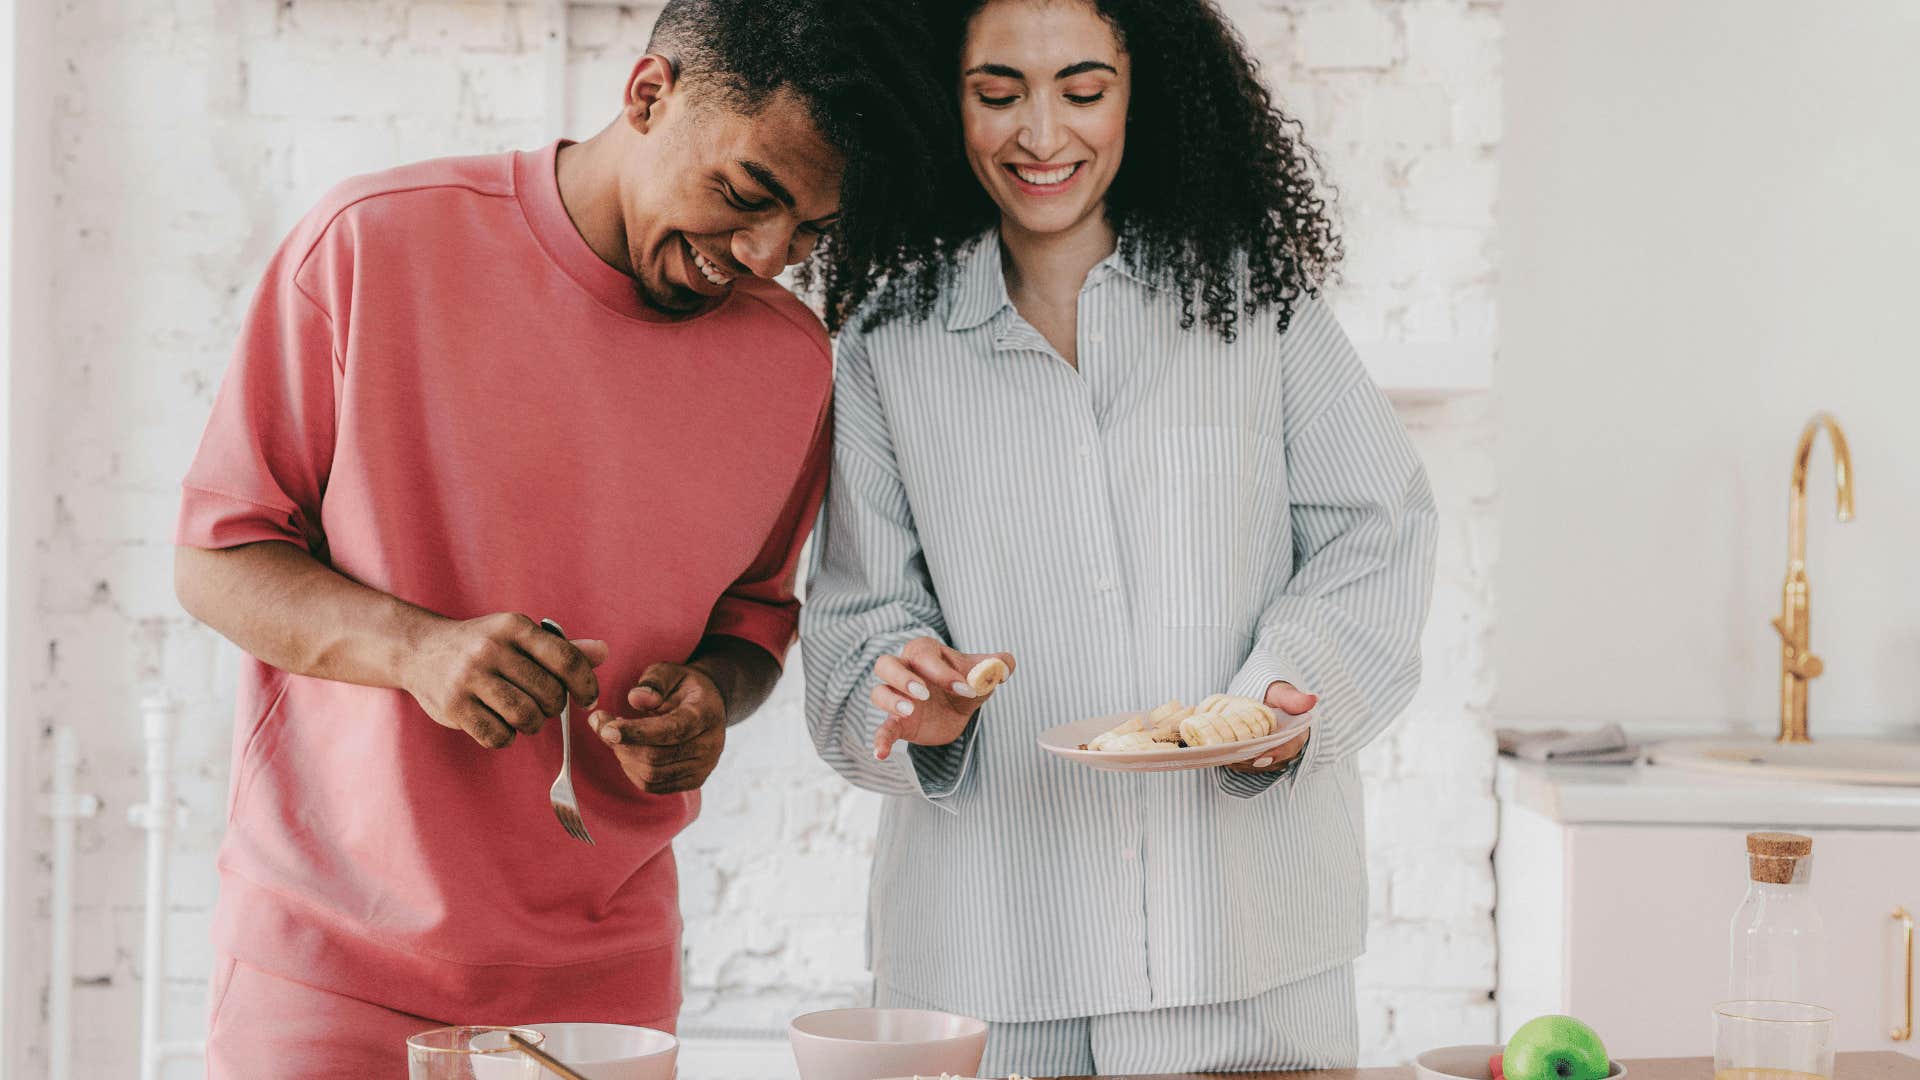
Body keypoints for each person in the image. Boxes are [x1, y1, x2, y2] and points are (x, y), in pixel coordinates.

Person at [171, 1, 952, 1075]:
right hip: (326, 962)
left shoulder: (791, 364)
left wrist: (708, 702)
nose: (767, 255)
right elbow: (219, 559)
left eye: (812, 231)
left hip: (603, 987)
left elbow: (756, 622)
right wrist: (419, 650)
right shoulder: (372, 244)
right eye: (746, 193)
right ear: (647, 95)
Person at [800, 0, 1438, 1074]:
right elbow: (858, 627)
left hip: (1242, 949)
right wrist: (916, 698)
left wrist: (1284, 698)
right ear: (940, 102)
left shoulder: (1254, 304)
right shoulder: (885, 348)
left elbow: (1378, 531)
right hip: (988, 965)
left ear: (1146, 91)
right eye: (997, 94)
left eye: (1084, 91)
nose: (1042, 136)